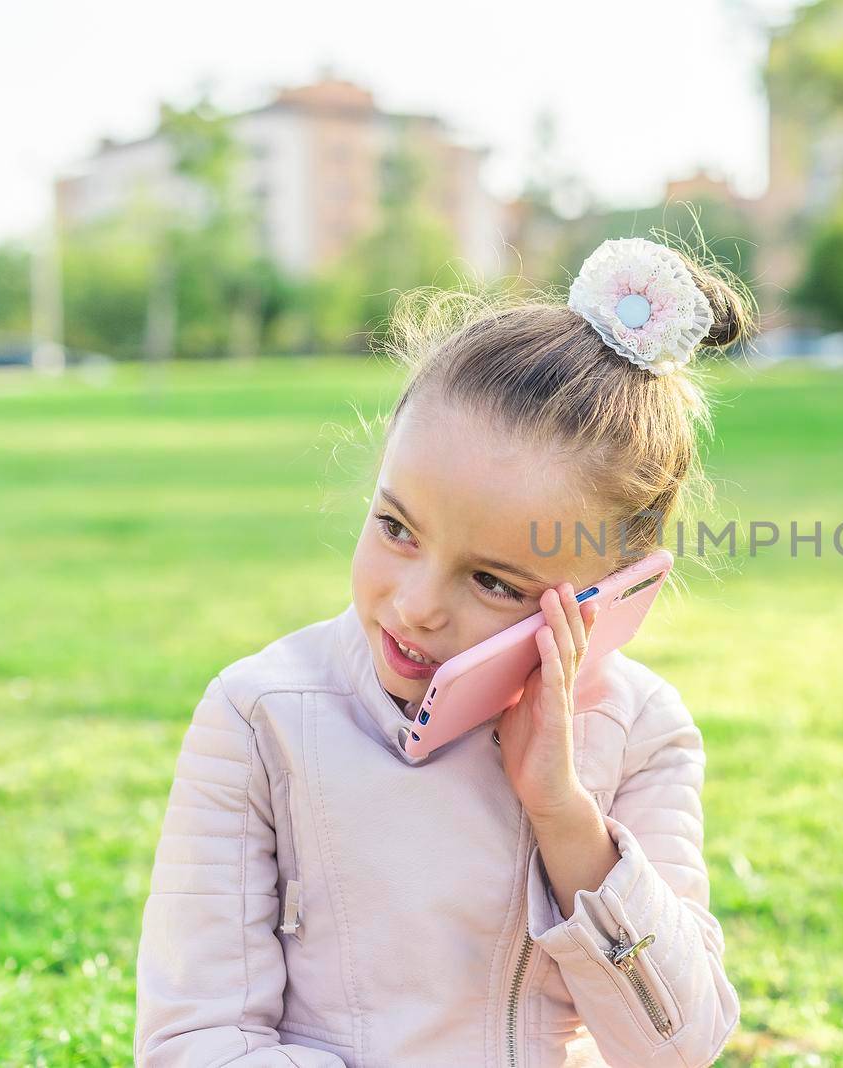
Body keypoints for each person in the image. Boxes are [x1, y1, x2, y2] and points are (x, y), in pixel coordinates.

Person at [133, 237, 752, 1067]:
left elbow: (680, 1047)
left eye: (495, 582)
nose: (417, 606)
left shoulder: (639, 732)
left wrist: (566, 818)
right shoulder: (261, 715)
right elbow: (197, 1038)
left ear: (613, 598)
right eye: (395, 528)